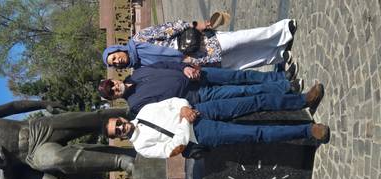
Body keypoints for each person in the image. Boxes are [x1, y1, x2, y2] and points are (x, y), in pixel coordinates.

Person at [0, 101, 135, 179]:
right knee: (57, 160)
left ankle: (129, 111)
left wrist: (44, 104)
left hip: (37, 128)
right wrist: (4, 169)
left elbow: (13, 107)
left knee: (85, 119)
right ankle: (123, 162)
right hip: (33, 155)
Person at [105, 96, 330, 159]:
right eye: (117, 131)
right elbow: (171, 150)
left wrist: (184, 109)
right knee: (256, 133)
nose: (121, 128)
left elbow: (172, 102)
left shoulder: (143, 112)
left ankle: (302, 101)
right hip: (200, 133)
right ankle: (307, 131)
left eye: (118, 124)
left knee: (253, 102)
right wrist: (185, 122)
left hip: (201, 109)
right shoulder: (142, 147)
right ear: (120, 137)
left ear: (121, 119)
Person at [98, 62, 302, 116]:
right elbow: (165, 108)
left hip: (199, 75)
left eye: (112, 84)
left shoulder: (137, 73)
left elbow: (165, 65)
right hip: (198, 95)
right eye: (112, 91)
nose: (115, 87)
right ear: (114, 98)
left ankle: (280, 76)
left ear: (114, 79)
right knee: (243, 92)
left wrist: (185, 67)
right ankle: (284, 88)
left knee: (241, 76)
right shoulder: (135, 105)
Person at [103, 18, 297, 70]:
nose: (117, 61)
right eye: (114, 63)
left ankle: (282, 31)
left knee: (242, 38)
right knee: (241, 62)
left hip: (201, 43)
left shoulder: (139, 40)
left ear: (117, 49)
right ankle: (278, 55)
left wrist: (196, 25)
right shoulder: (140, 68)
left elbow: (169, 28)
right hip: (196, 62)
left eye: (115, 57)